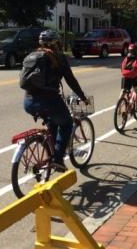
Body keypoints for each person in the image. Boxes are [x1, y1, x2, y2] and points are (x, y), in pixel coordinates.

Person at [22, 29, 88, 172]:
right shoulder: (58, 57)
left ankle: (50, 153)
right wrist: (82, 96)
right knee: (66, 123)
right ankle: (57, 160)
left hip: (28, 101)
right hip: (49, 100)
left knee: (53, 122)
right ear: (55, 43)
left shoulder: (32, 55)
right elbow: (70, 80)